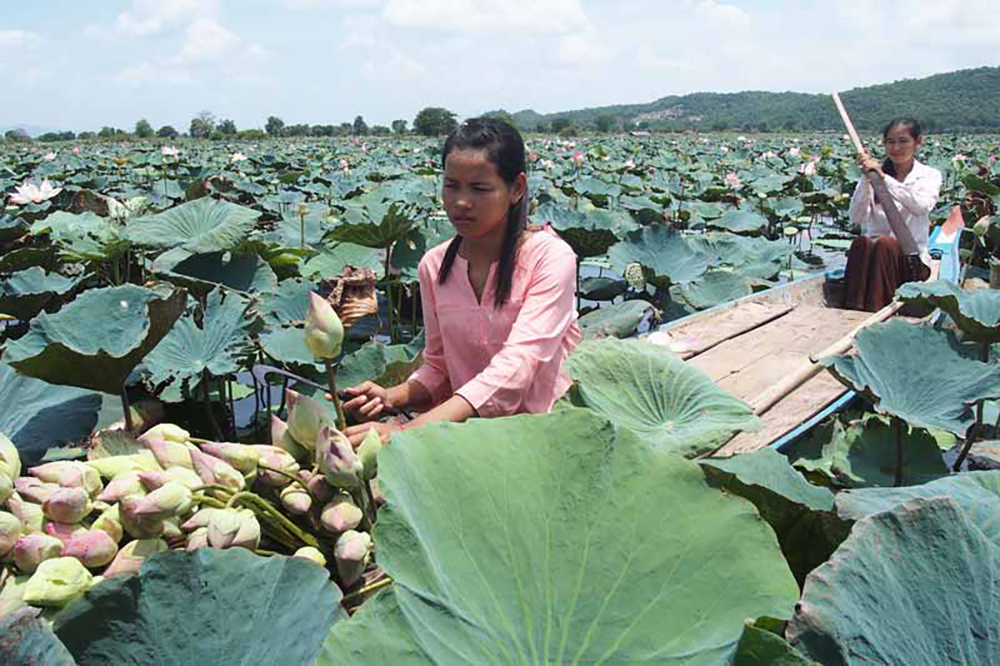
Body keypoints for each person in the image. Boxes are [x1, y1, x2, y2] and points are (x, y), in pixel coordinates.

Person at [341, 118, 581, 446]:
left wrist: (406, 433)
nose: (461, 202)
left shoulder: (551, 259)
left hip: (546, 435)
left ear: (517, 188)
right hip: (471, 441)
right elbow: (438, 369)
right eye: (452, 185)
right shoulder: (434, 266)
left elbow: (519, 365)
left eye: (480, 189)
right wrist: (390, 397)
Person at [843, 118, 942, 311]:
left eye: (903, 141)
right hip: (873, 259)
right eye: (890, 141)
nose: (896, 147)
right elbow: (856, 218)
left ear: (918, 142)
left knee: (884, 244)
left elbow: (921, 206)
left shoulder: (929, 175)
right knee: (863, 243)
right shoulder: (874, 174)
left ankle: (874, 310)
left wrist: (883, 179)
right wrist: (866, 178)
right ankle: (852, 309)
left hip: (912, 264)